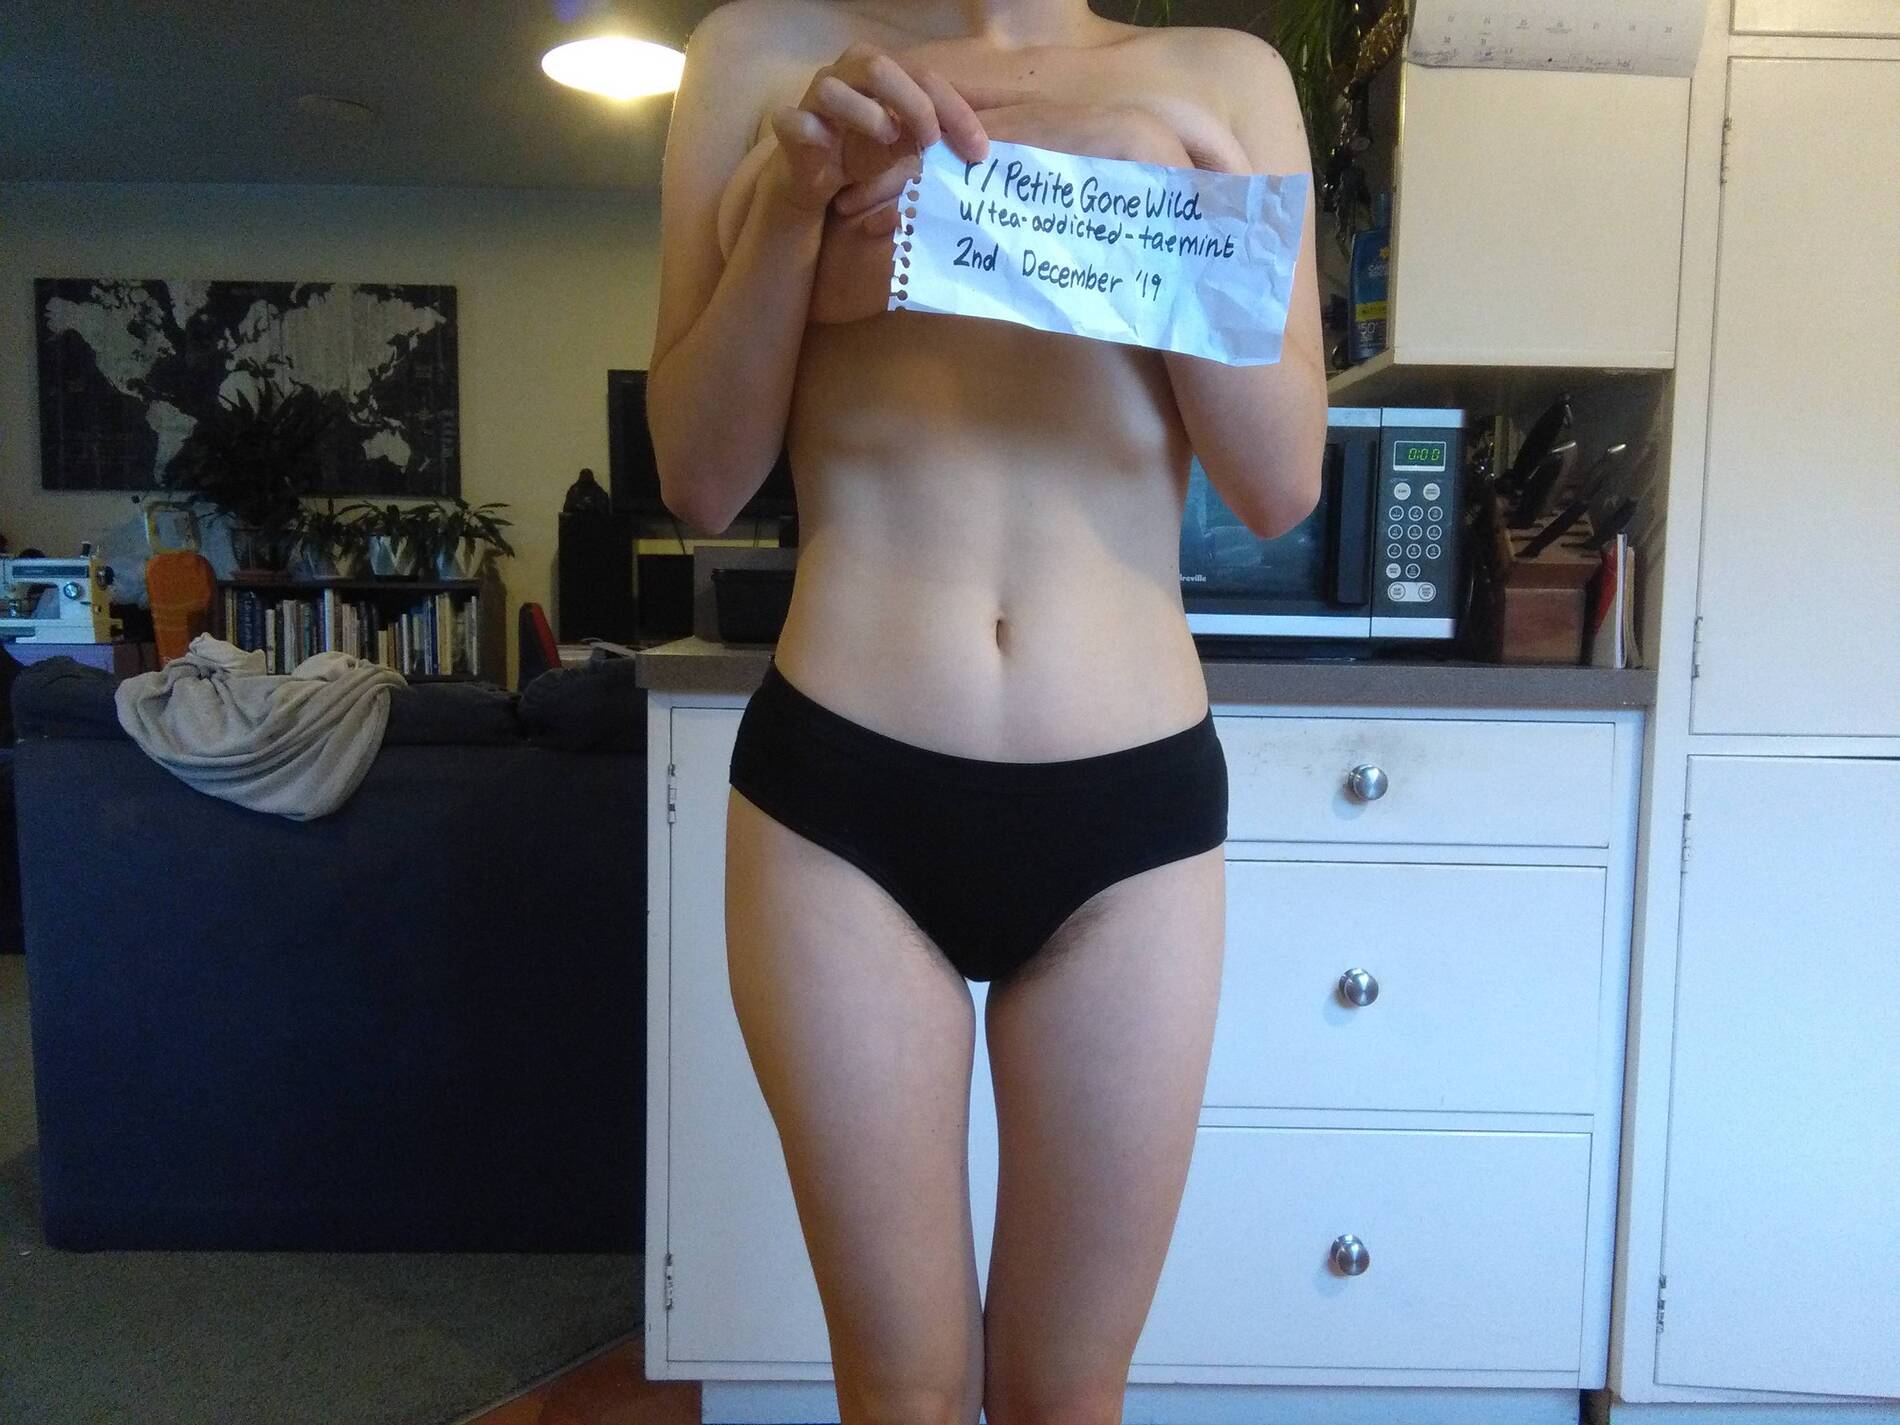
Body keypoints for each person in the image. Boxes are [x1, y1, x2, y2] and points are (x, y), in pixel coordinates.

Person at [647, 2, 1326, 1422]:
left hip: (1131, 819)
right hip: (841, 805)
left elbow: (1277, 483)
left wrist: (1154, 187)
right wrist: (792, 206)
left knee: (1066, 1396)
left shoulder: (1220, 83)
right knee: (899, 1395)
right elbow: (702, 479)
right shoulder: (756, 61)